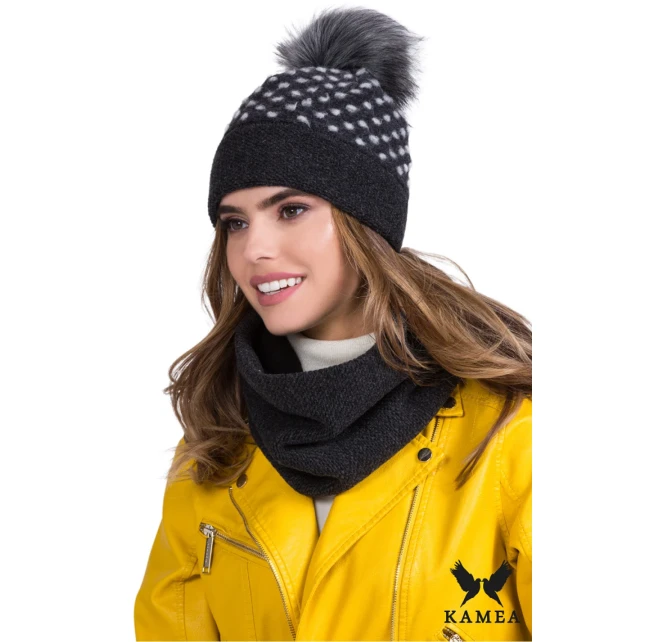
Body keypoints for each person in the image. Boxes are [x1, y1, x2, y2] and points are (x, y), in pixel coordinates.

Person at [133, 7, 531, 641]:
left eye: (291, 209)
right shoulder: (215, 441)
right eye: (235, 222)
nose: (254, 249)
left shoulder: (509, 434)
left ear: (364, 220)